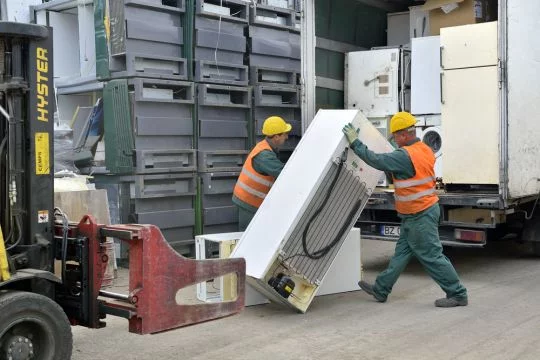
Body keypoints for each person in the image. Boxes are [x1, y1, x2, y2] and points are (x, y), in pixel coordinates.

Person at [342, 112, 468, 308]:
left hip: (420, 214)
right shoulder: (424, 149)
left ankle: (457, 293)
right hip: (417, 213)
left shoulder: (404, 155)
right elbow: (403, 162)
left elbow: (377, 161)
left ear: (403, 135)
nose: (395, 140)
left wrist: (355, 143)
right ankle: (381, 289)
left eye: (395, 137)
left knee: (431, 256)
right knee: (401, 254)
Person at [232, 116, 292, 231]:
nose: (287, 137)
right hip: (249, 202)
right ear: (276, 137)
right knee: (248, 237)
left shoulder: (265, 147)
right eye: (284, 134)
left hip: (249, 200)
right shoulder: (265, 155)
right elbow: (284, 174)